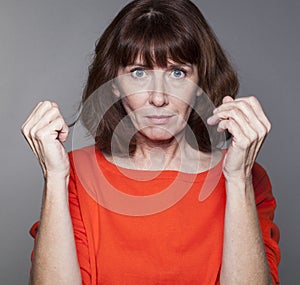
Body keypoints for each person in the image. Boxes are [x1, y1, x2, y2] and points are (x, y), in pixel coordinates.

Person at [21, 0, 280, 284]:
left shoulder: (246, 178)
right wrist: (56, 178)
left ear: (199, 84)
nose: (158, 98)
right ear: (115, 84)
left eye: (178, 72)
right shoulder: (77, 175)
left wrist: (238, 179)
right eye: (139, 72)